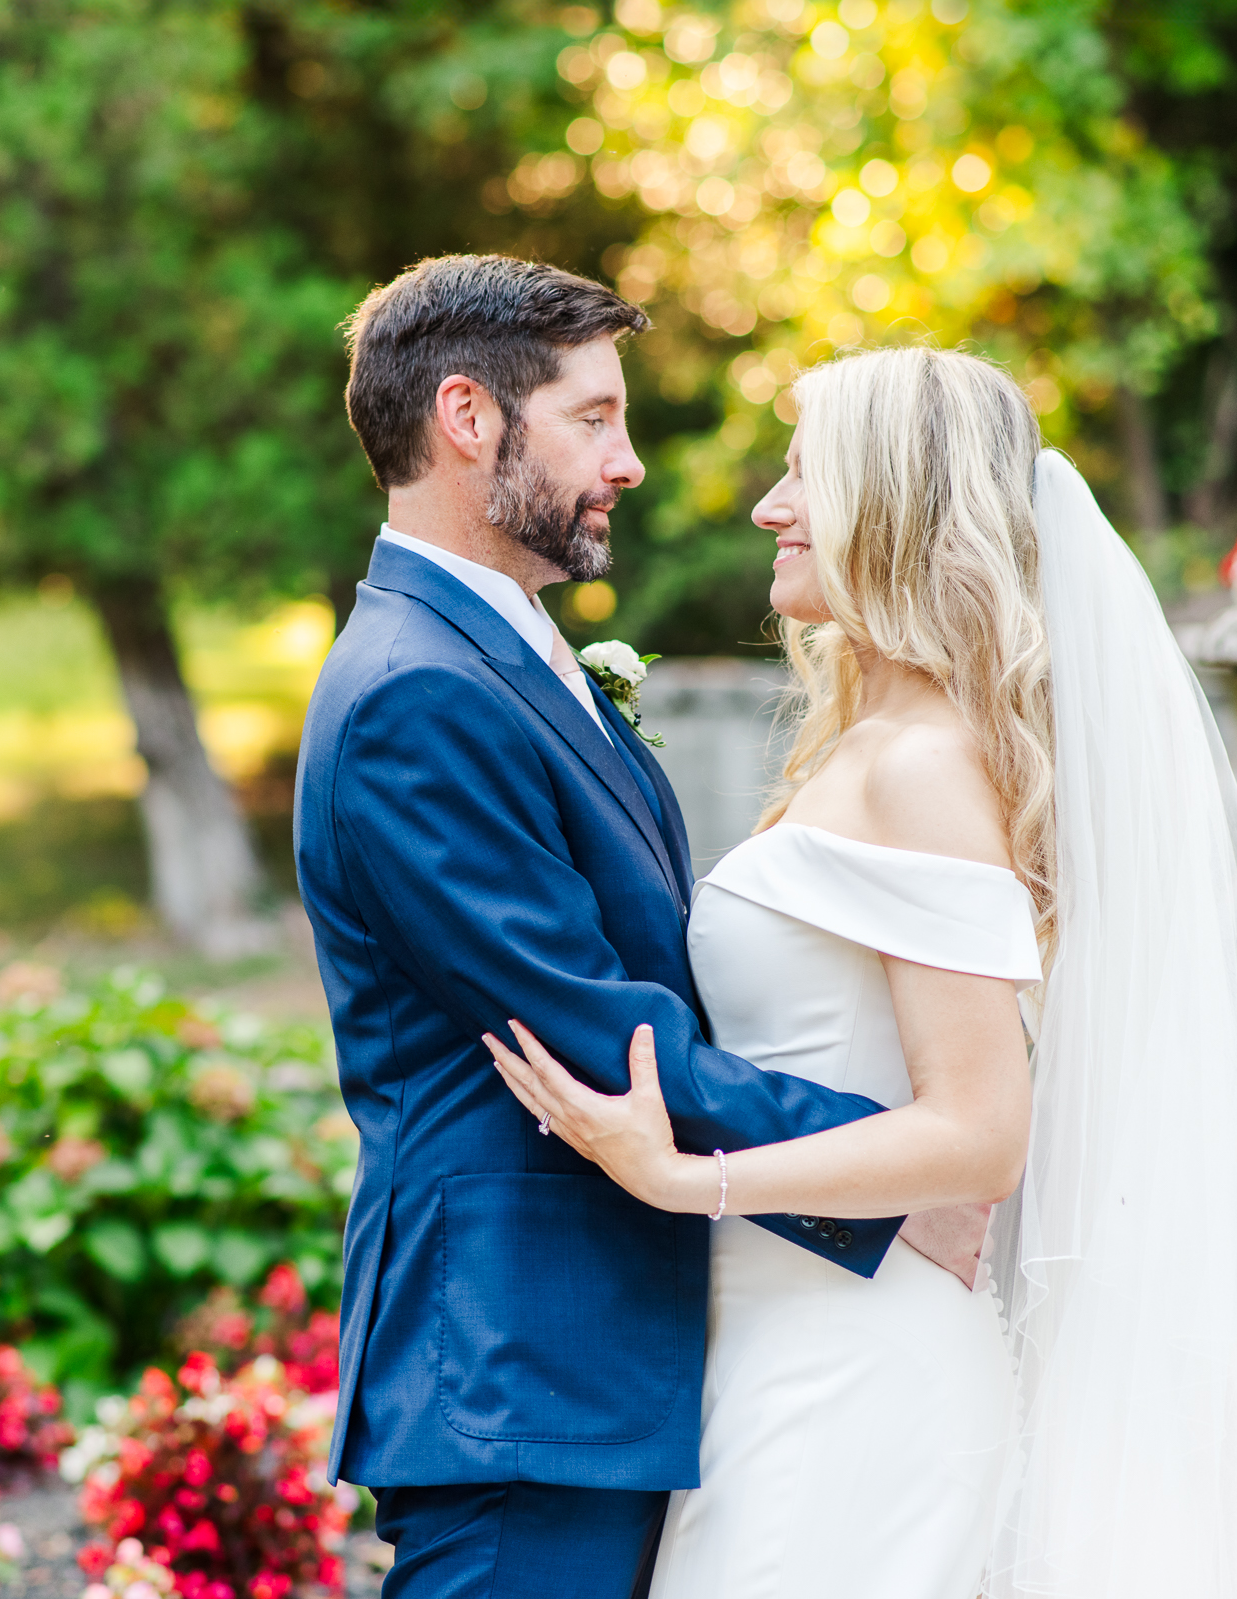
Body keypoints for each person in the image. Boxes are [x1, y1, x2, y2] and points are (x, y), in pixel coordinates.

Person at [485, 345, 1237, 1597]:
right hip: (783, 1346)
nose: (770, 506)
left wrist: (684, 1175)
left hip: (858, 1373)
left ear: (895, 505)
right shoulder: (871, 742)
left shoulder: (921, 765)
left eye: (805, 475)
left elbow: (981, 1133)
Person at [294, 257, 986, 1598]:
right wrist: (898, 1178)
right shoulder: (411, 696)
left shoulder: (500, 654)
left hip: (602, 1356)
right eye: (595, 418)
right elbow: (604, 1032)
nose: (632, 464)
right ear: (470, 419)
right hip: (525, 1365)